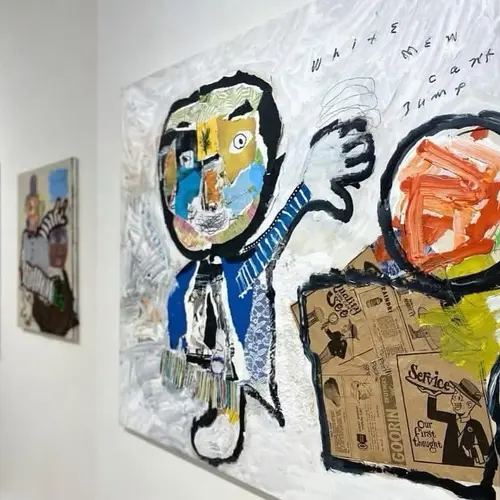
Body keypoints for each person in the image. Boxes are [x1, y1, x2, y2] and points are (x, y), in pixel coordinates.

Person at [158, 71, 375, 465]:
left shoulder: (239, 272)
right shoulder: (182, 290)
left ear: (270, 166)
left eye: (237, 145)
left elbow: (257, 260)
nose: (210, 190)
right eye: (186, 162)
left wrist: (308, 189)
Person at [423, 378, 489, 467]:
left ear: (469, 405)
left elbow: (486, 451)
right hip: (447, 465)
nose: (455, 401)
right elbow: (432, 414)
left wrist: (470, 452)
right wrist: (432, 395)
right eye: (454, 396)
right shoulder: (450, 418)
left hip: (467, 467)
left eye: (459, 398)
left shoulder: (476, 425)